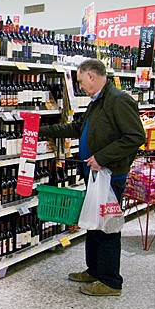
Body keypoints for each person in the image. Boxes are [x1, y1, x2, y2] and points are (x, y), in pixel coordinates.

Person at [39, 59, 146, 296]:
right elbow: (78, 129)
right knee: (94, 222)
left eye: (80, 81)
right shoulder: (97, 101)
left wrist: (102, 157)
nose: (79, 86)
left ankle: (110, 281)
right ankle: (95, 270)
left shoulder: (118, 100)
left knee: (107, 226)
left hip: (110, 175)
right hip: (95, 175)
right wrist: (39, 129)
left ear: (90, 76)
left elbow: (136, 136)